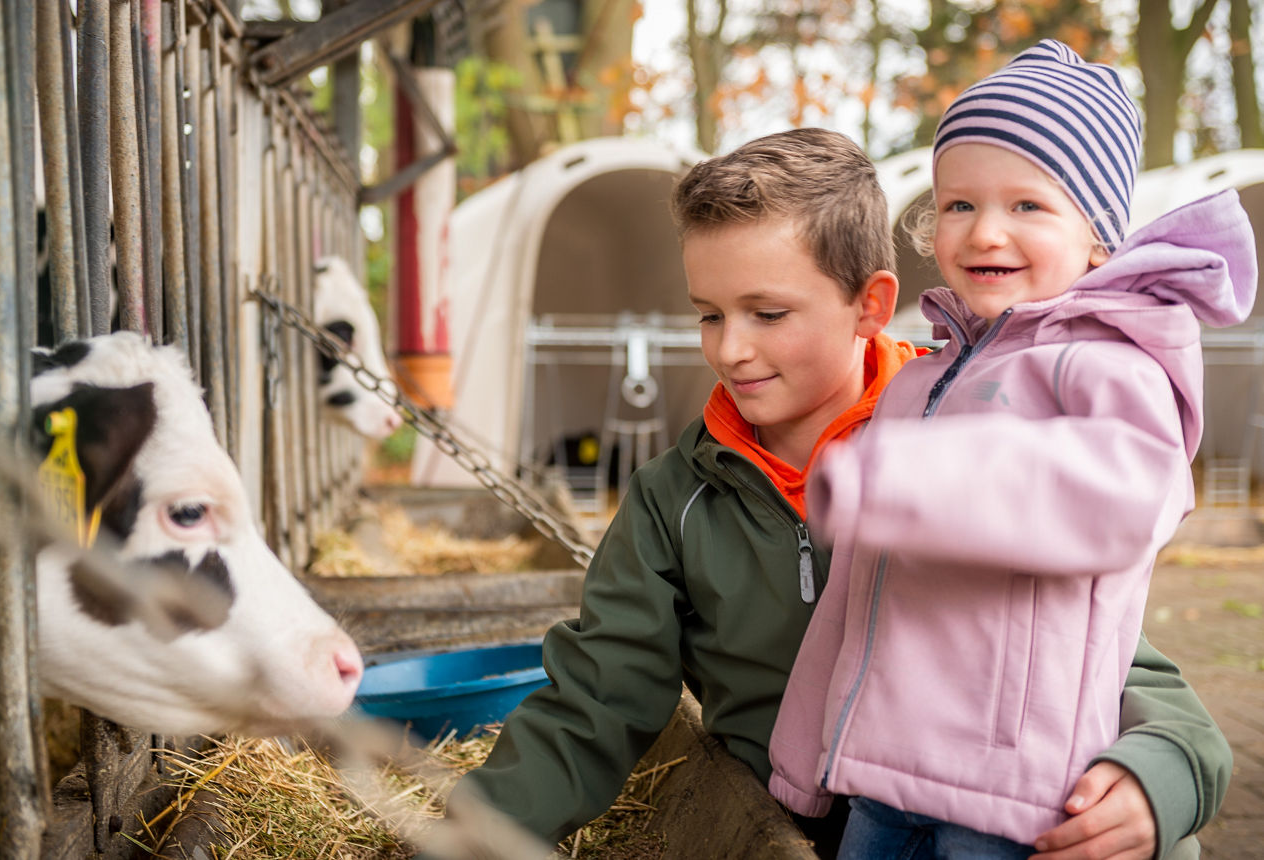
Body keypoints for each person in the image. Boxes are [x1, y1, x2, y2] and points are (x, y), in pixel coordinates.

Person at [442, 127, 1233, 859]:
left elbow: (1100, 640)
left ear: (872, 304)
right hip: (791, 830)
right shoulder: (673, 500)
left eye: (768, 312)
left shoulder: (959, 456)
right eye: (709, 315)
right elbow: (596, 697)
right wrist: (459, 838)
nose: (730, 349)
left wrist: (1164, 769)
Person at [768, 41, 1253, 859]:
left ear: (1099, 236)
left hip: (1004, 795)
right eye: (957, 204)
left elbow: (1108, 501)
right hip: (878, 778)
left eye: (1028, 205)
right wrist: (800, 763)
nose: (984, 228)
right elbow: (857, 597)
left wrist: (902, 482)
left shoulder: (1113, 367)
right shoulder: (919, 386)